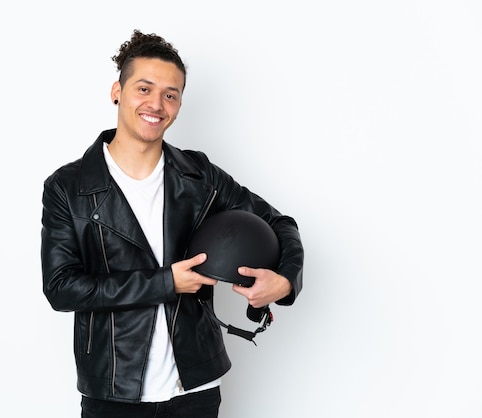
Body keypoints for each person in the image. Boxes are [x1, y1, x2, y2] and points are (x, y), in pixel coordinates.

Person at [41, 29, 304, 418]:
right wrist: (167, 282)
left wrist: (284, 282)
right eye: (144, 89)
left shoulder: (199, 175)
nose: (157, 104)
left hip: (195, 389)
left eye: (170, 94)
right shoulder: (69, 186)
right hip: (113, 393)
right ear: (117, 90)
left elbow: (279, 223)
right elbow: (62, 288)